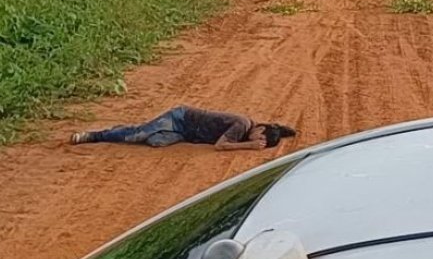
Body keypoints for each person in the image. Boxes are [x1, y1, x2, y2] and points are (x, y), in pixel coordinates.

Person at [69, 106, 296, 151]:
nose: (259, 140)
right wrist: (249, 146)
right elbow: (220, 146)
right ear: (260, 129)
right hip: (180, 118)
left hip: (185, 133)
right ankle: (94, 136)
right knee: (137, 135)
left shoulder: (245, 128)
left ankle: (125, 130)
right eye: (261, 138)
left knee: (155, 142)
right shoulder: (242, 125)